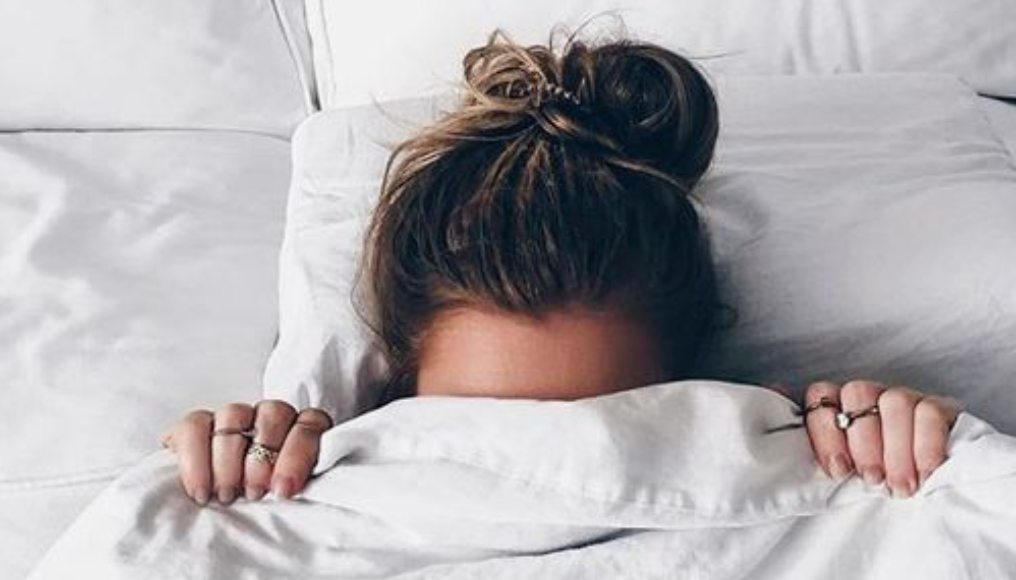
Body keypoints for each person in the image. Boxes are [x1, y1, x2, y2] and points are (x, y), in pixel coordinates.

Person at [164, 32, 959, 507]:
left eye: (609, 427)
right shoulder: (316, 485)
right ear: (392, 396)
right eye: (474, 430)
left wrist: (922, 467)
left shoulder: (791, 463)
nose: (541, 467)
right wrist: (217, 494)